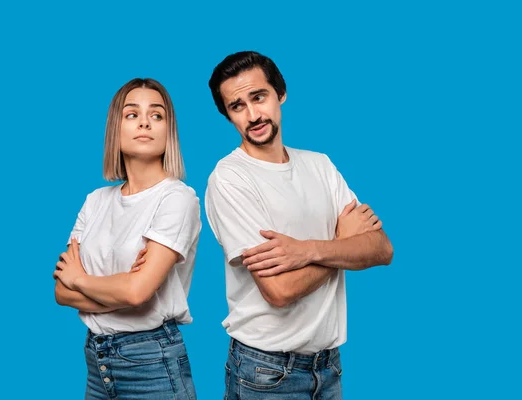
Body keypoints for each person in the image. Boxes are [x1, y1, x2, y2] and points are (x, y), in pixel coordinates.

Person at [205, 51, 394, 400]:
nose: (252, 115)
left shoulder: (319, 165)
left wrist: (307, 249)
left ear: (280, 93)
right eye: (237, 106)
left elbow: (382, 248)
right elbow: (280, 291)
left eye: (258, 97)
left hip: (328, 365)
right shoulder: (230, 179)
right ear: (228, 115)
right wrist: (345, 243)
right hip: (266, 372)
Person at [54, 78, 200, 400]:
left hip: (152, 363)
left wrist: (81, 278)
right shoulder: (96, 201)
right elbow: (61, 291)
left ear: (168, 132)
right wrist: (117, 290)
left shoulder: (177, 199)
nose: (145, 122)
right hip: (97, 361)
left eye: (157, 115)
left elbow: (137, 292)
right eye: (132, 114)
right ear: (115, 129)